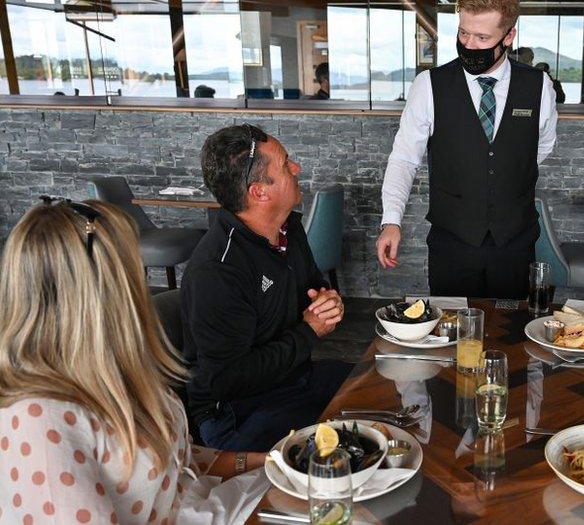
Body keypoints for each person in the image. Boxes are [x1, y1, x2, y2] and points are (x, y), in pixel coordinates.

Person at [0, 198, 263, 523]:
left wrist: (265, 461)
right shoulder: (38, 421)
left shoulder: (110, 372)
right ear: (104, 291)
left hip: (216, 506)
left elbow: (170, 460)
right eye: (131, 263)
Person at [376, 0, 558, 298]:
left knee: (510, 337)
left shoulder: (539, 86)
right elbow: (404, 157)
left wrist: (501, 168)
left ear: (509, 36)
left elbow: (541, 146)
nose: (469, 45)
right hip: (452, 244)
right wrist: (391, 220)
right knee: (451, 336)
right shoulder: (429, 85)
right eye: (463, 33)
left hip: (515, 244)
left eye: (482, 37)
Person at [182, 124, 352, 451]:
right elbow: (226, 378)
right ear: (260, 191)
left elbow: (315, 290)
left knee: (382, 389)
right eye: (287, 164)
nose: (297, 168)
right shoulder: (219, 269)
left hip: (293, 380)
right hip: (238, 411)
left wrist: (330, 304)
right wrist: (310, 330)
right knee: (340, 457)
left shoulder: (289, 230)